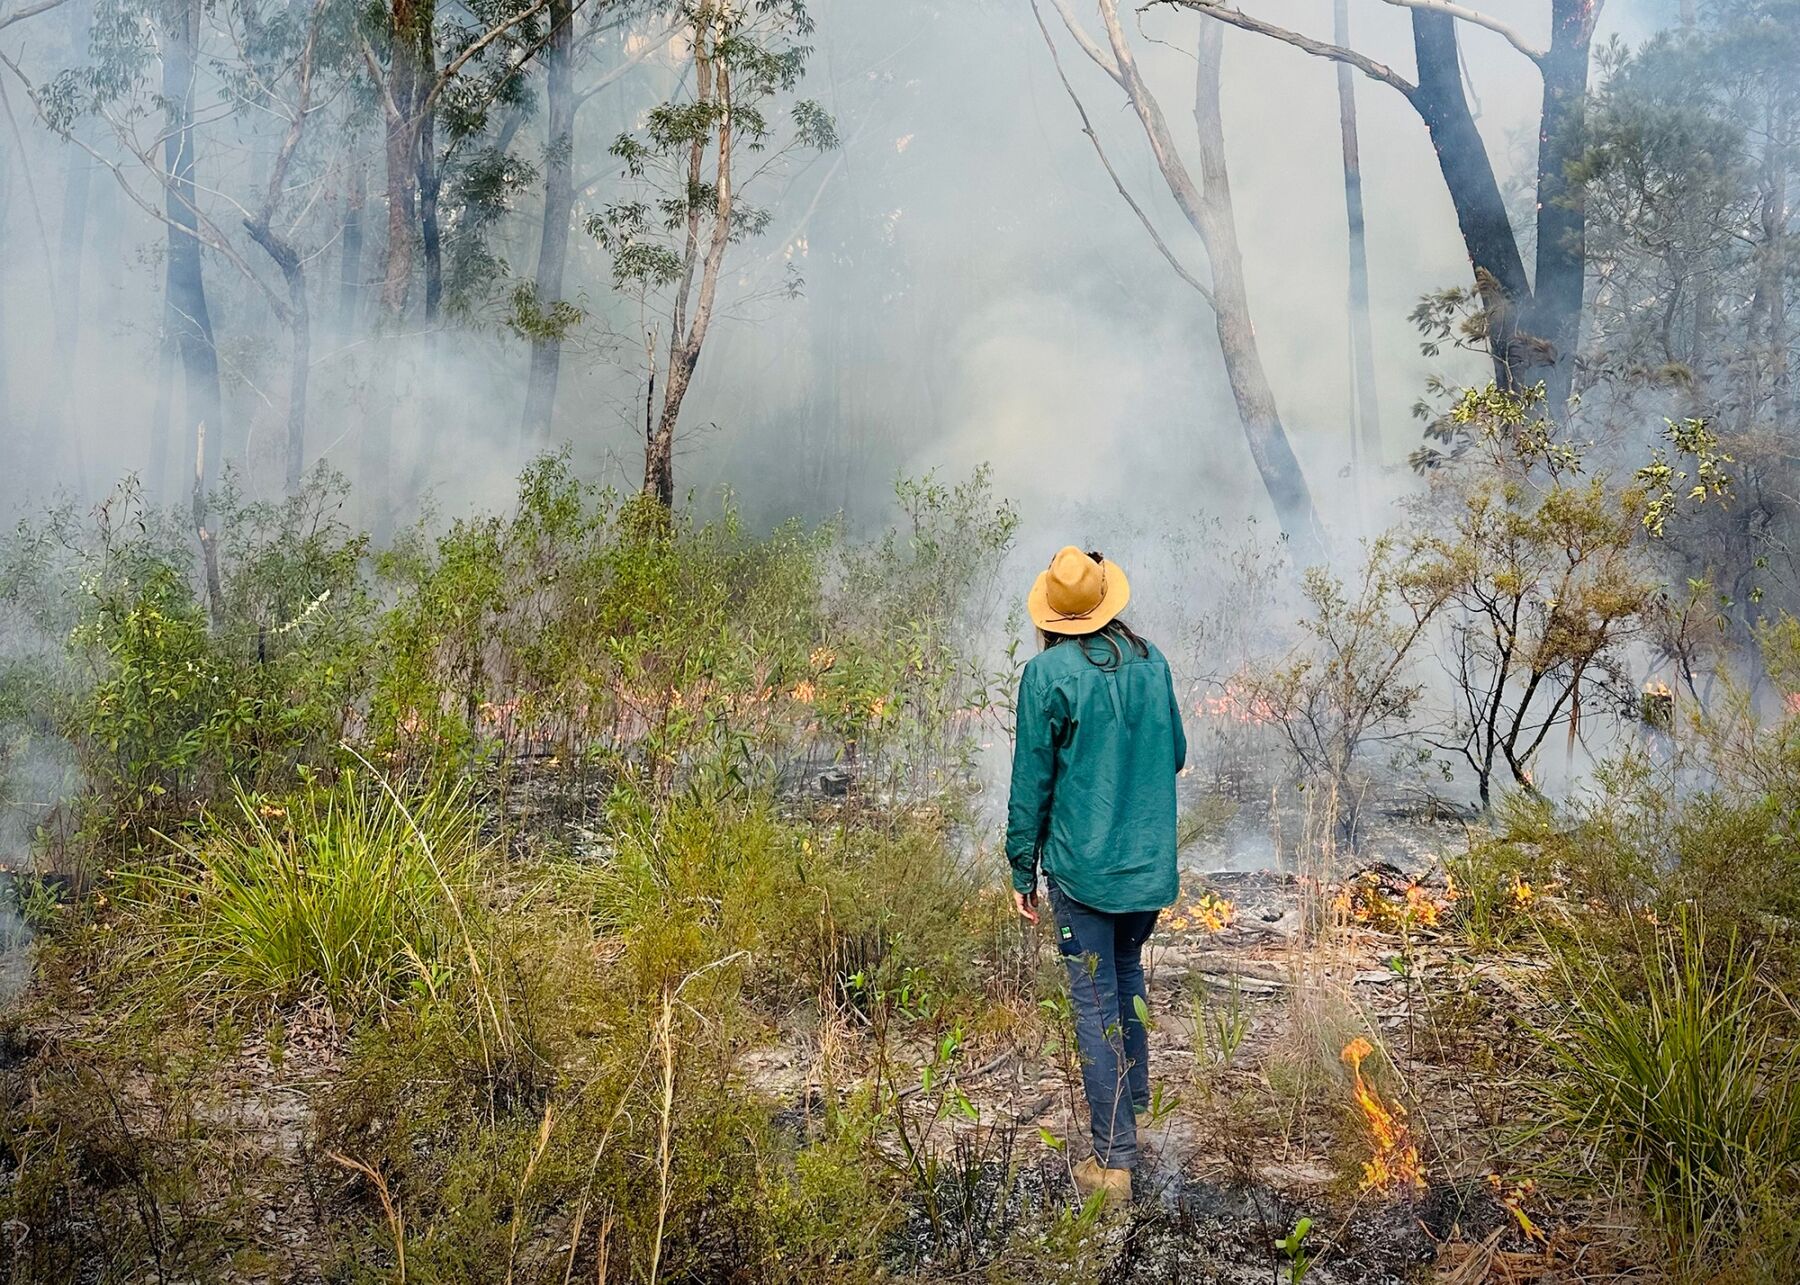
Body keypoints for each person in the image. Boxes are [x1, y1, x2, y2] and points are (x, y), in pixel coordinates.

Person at [1005, 545, 1187, 1206]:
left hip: (1084, 871)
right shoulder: (1152, 660)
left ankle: (1113, 1161)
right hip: (1148, 869)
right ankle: (1133, 1102)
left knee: (1096, 1000)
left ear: (1055, 613)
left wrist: (1020, 865)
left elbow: (1032, 781)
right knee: (1127, 970)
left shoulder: (1047, 672)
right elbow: (1177, 752)